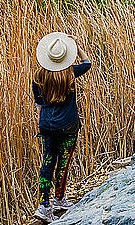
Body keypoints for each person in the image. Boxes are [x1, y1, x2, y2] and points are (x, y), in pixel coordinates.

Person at [32, 32, 91, 223]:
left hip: (47, 126)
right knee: (63, 162)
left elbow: (39, 106)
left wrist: (43, 124)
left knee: (47, 161)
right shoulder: (71, 72)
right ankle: (59, 199)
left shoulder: (38, 77)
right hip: (68, 125)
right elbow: (87, 63)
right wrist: (77, 44)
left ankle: (44, 206)